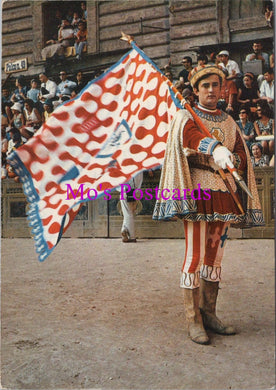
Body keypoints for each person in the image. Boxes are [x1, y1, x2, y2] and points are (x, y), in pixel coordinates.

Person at [153, 66, 263, 345]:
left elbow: (240, 151)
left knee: (215, 257)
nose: (212, 90)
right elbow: (188, 138)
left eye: (216, 85)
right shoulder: (186, 115)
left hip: (223, 191)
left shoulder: (228, 120)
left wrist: (232, 160)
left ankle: (209, 312)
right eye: (206, 86)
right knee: (194, 255)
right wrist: (212, 148)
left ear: (222, 89)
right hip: (198, 192)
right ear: (197, 90)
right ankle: (193, 319)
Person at [120, 172, 143, 243]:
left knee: (127, 213)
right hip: (133, 191)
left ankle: (125, 230)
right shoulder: (139, 168)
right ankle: (129, 235)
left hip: (125, 191)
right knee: (129, 213)